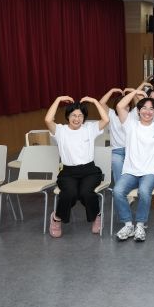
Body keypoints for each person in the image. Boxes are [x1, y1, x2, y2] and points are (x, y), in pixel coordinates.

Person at [113, 91, 154, 242]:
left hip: (150, 173)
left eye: (152, 109)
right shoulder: (130, 125)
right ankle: (128, 224)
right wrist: (134, 92)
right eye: (144, 108)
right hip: (130, 172)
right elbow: (120, 106)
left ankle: (140, 224)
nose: (148, 111)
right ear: (138, 111)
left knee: (144, 191)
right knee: (118, 191)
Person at [45, 95, 109, 238]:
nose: (77, 118)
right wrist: (57, 100)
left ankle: (97, 216)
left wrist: (94, 101)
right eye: (73, 115)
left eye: (80, 115)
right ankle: (56, 218)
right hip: (68, 172)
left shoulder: (89, 129)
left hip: (90, 171)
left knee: (86, 192)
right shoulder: (60, 131)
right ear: (68, 116)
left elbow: (106, 119)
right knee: (70, 193)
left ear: (84, 118)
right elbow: (48, 119)